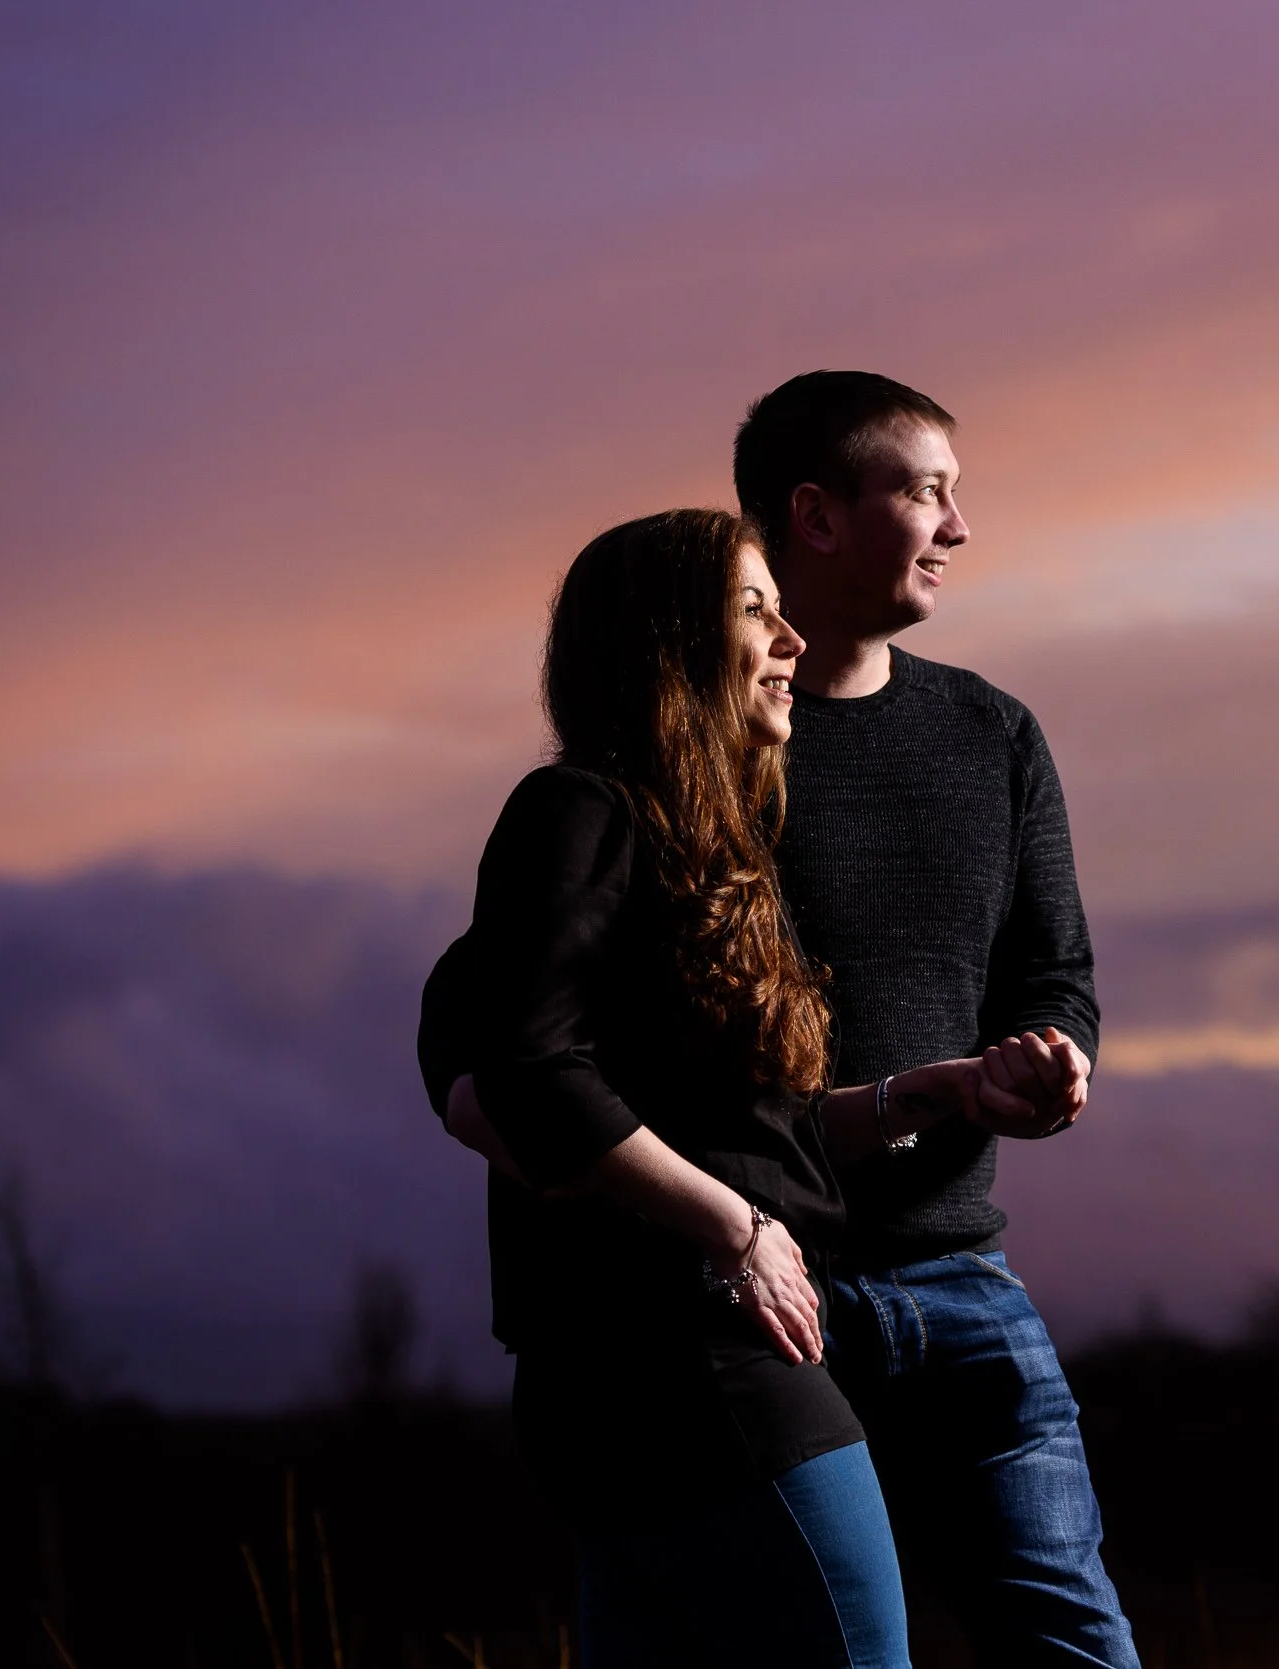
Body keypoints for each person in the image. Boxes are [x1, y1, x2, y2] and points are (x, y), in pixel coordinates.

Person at [440, 373, 1140, 1667]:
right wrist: (695, 1206)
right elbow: (498, 1044)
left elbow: (1047, 980)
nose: (958, 525)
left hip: (929, 1280)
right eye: (928, 489)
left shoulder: (983, 738)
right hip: (712, 1323)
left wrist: (946, 1089)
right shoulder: (631, 798)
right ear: (815, 517)